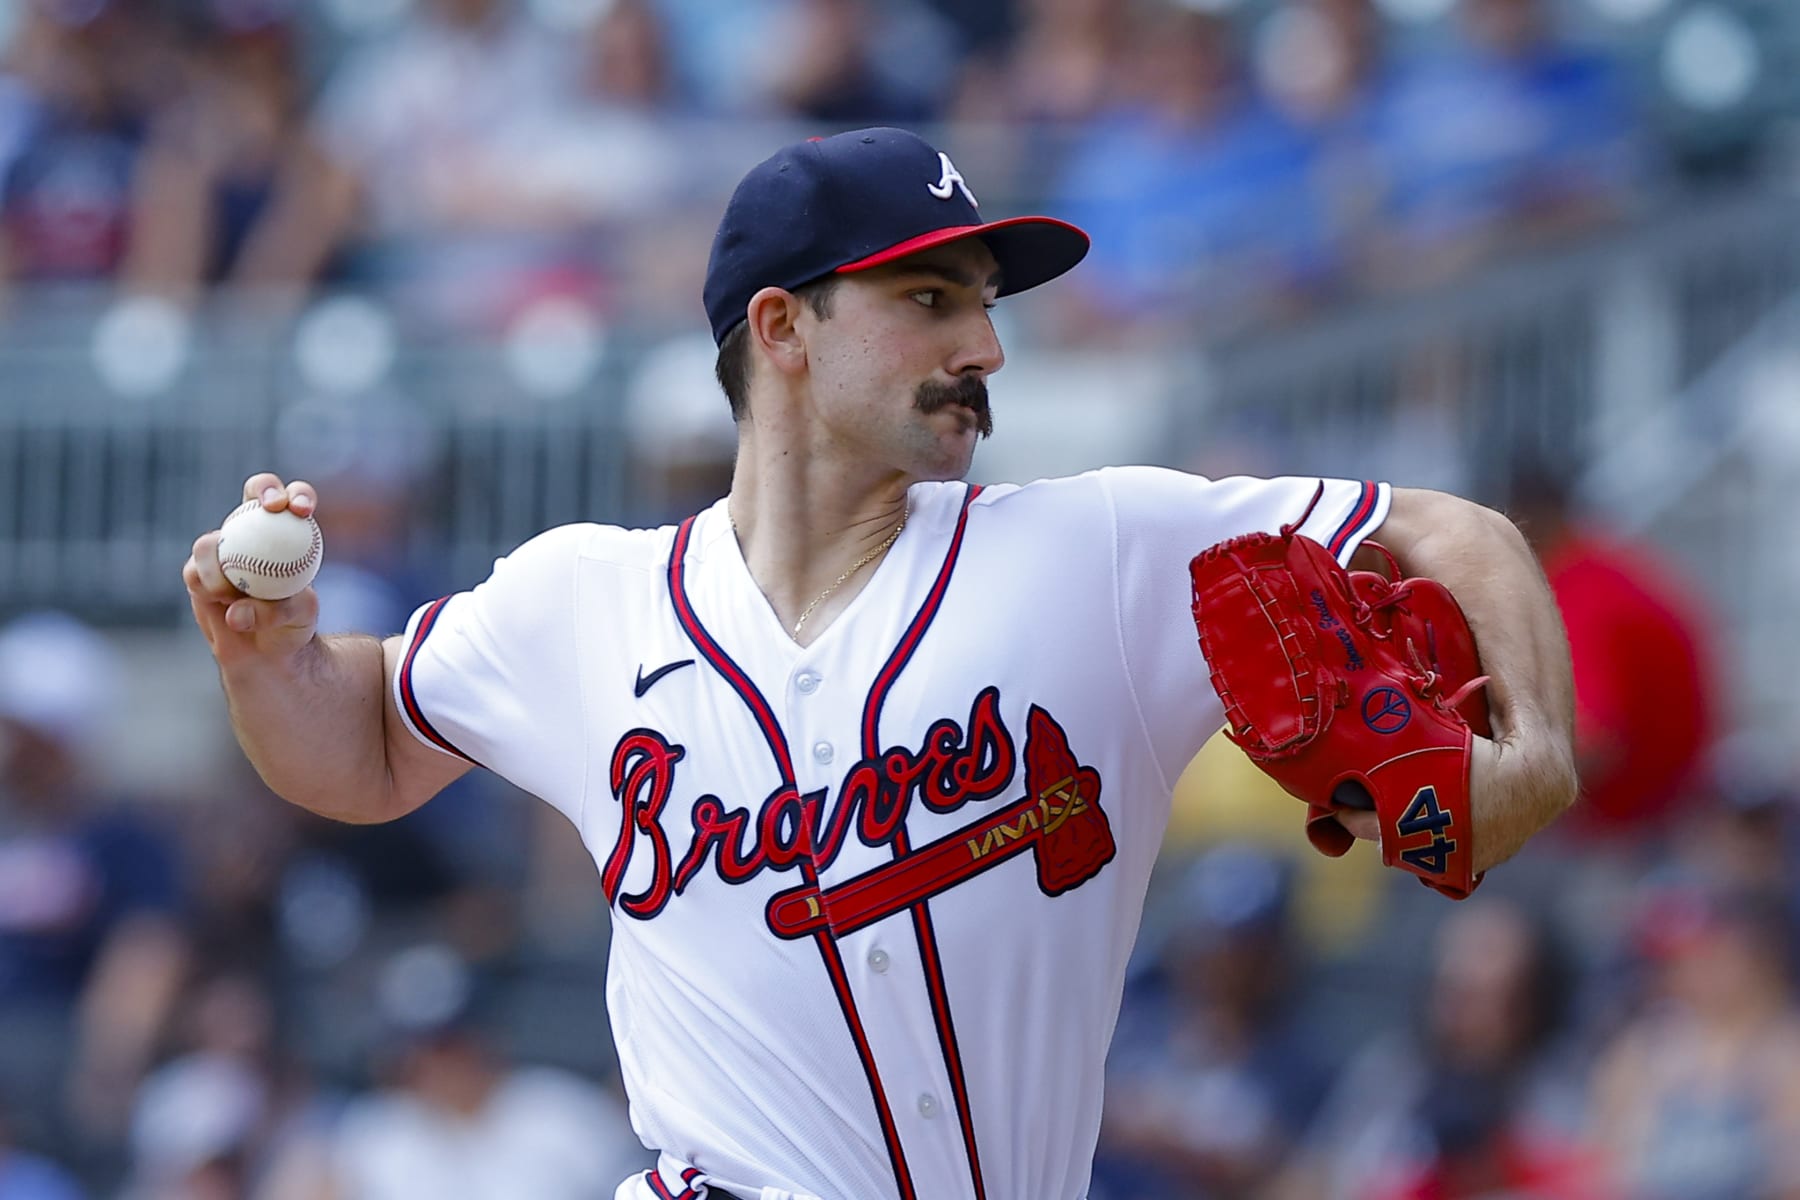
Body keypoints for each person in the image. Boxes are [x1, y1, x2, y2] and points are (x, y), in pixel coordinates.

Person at [183, 126, 1579, 1200]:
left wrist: (1535, 753)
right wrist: (268, 660)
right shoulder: (581, 598)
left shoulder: (1103, 548)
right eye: (929, 298)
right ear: (781, 329)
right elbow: (363, 747)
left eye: (985, 302)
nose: (987, 346)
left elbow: (1450, 531)